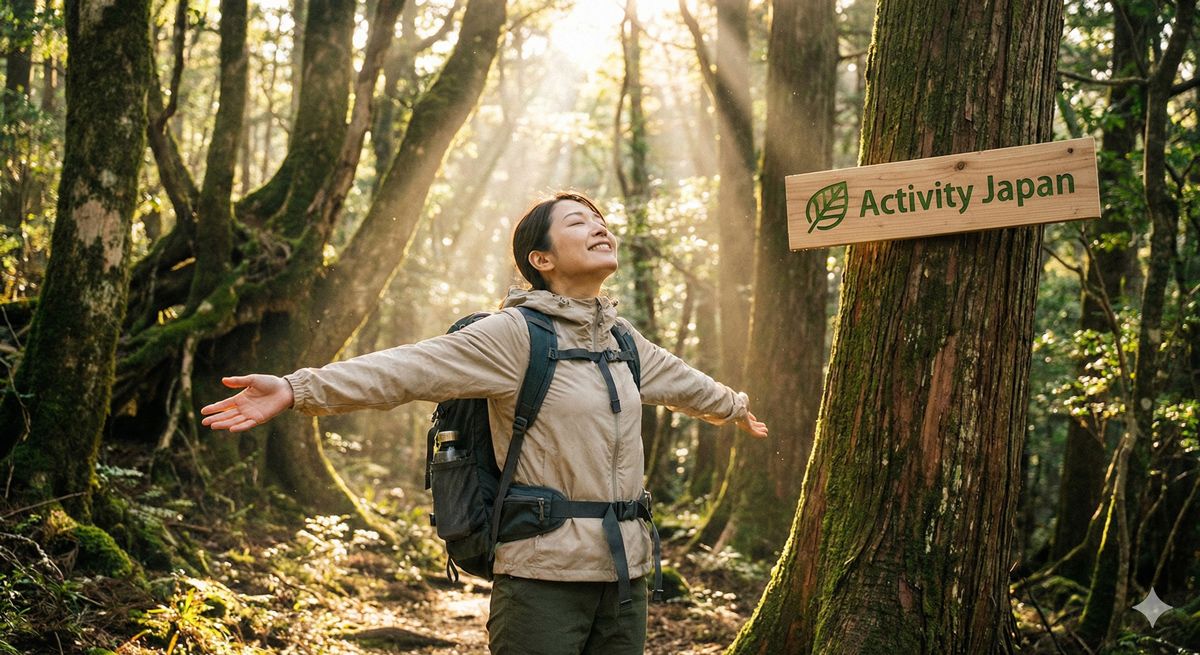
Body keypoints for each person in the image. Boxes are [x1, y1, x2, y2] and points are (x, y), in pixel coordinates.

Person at [200, 191, 768, 654]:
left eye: (600, 221)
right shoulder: (514, 335)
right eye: (577, 222)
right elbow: (407, 369)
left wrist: (735, 407)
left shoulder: (623, 341)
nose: (599, 228)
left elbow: (685, 383)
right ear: (541, 260)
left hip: (626, 580)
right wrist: (297, 388)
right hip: (541, 578)